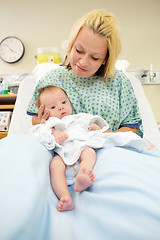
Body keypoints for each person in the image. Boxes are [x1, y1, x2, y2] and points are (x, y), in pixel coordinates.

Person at [27, 9, 143, 139]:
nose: (83, 62)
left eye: (95, 58)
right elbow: (36, 120)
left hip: (108, 150)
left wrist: (106, 137)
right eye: (79, 50)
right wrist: (46, 124)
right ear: (71, 44)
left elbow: (132, 128)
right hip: (62, 149)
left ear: (106, 59)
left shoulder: (118, 81)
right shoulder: (51, 79)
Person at [31, 85, 110, 211]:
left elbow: (93, 122)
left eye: (64, 102)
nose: (61, 107)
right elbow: (39, 133)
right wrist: (54, 133)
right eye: (53, 107)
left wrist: (94, 126)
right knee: (55, 165)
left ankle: (83, 174)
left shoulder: (79, 117)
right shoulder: (50, 123)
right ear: (45, 111)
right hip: (62, 154)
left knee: (89, 153)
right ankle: (65, 196)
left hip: (81, 147)